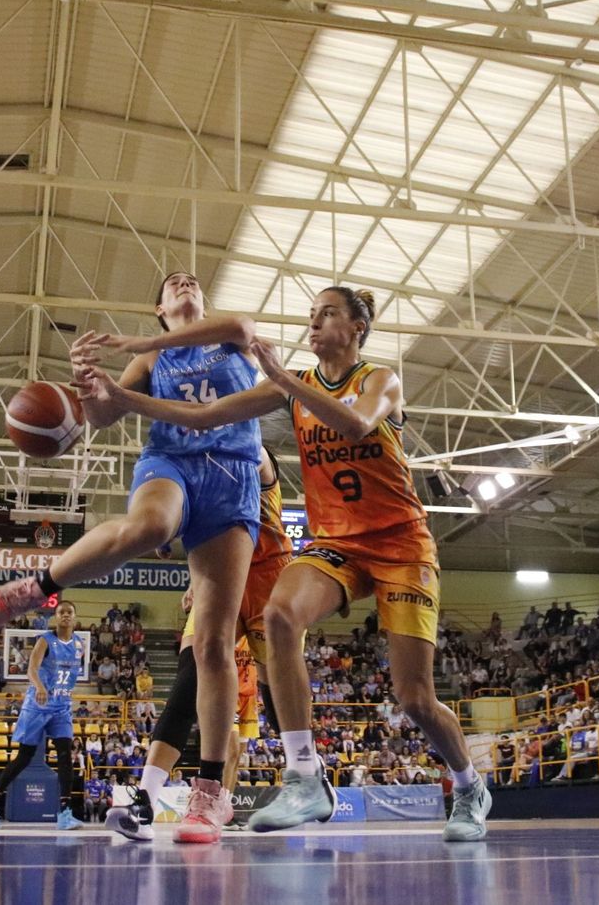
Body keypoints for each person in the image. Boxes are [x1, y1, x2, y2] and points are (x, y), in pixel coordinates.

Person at [85, 285, 492, 841]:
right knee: (279, 616)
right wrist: (124, 398)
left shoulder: (379, 380)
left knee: (415, 698)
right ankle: (305, 777)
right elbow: (204, 417)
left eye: (327, 314)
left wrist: (282, 377)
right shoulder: (292, 385)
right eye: (311, 315)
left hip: (402, 545)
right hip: (338, 545)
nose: (315, 323)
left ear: (356, 328)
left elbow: (355, 424)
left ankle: (469, 787)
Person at [0, 271, 263, 845]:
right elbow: (102, 416)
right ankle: (36, 587)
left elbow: (242, 324)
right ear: (159, 306)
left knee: (211, 643)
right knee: (150, 524)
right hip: (171, 465)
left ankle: (209, 796)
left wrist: (138, 345)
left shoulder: (229, 338)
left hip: (233, 478)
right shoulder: (151, 364)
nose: (184, 283)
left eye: (192, 280)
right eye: (172, 283)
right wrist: (86, 387)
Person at [107, 446, 292, 841]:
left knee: (277, 692)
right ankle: (145, 800)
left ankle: (308, 774)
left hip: (266, 580)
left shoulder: (252, 453)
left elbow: (250, 452)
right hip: (220, 578)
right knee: (187, 683)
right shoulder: (197, 469)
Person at [0, 599, 86, 830]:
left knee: (66, 754)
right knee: (24, 757)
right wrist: (39, 686)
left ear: (75, 617)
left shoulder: (79, 644)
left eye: (69, 612)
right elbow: (32, 669)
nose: (66, 615)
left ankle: (65, 813)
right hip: (38, 704)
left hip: (61, 705)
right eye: (61, 612)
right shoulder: (45, 641)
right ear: (56, 617)